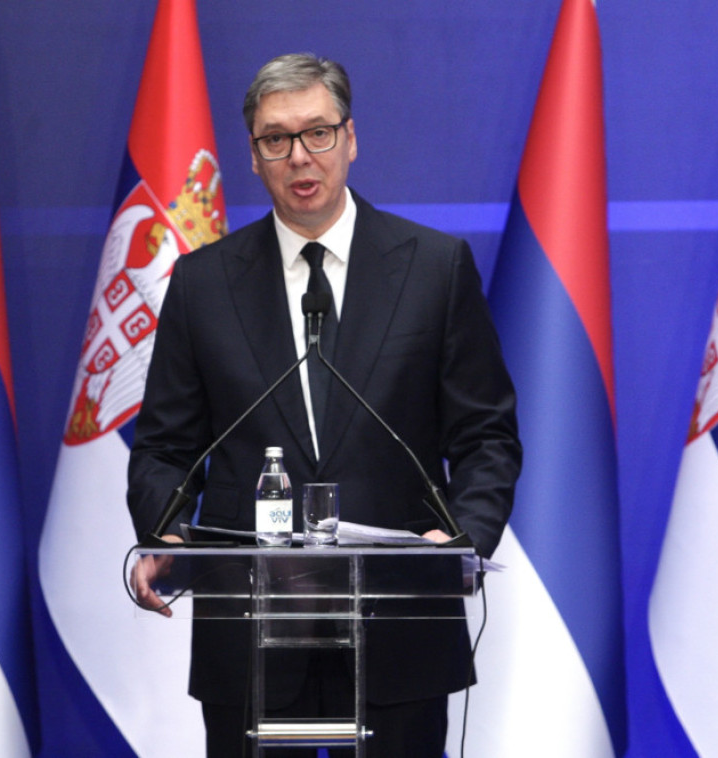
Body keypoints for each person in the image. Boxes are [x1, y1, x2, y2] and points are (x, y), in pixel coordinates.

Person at [127, 53, 521, 757]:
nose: (300, 156)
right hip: (249, 630)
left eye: (317, 132)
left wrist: (459, 538)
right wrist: (166, 535)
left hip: (399, 627)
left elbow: (486, 435)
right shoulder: (202, 285)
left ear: (351, 138)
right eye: (276, 139)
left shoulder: (433, 269)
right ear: (253, 156)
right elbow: (163, 448)